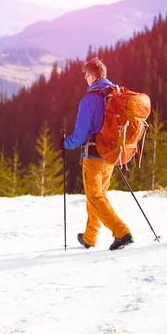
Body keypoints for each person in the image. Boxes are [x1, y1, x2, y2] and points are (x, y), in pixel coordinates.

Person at [60, 57, 134, 251]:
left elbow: (80, 135)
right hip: (111, 154)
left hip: (93, 156)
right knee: (98, 196)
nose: (85, 78)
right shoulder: (115, 94)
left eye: (85, 74)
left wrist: (65, 144)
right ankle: (89, 237)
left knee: (95, 197)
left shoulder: (89, 100)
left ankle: (122, 232)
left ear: (92, 75)